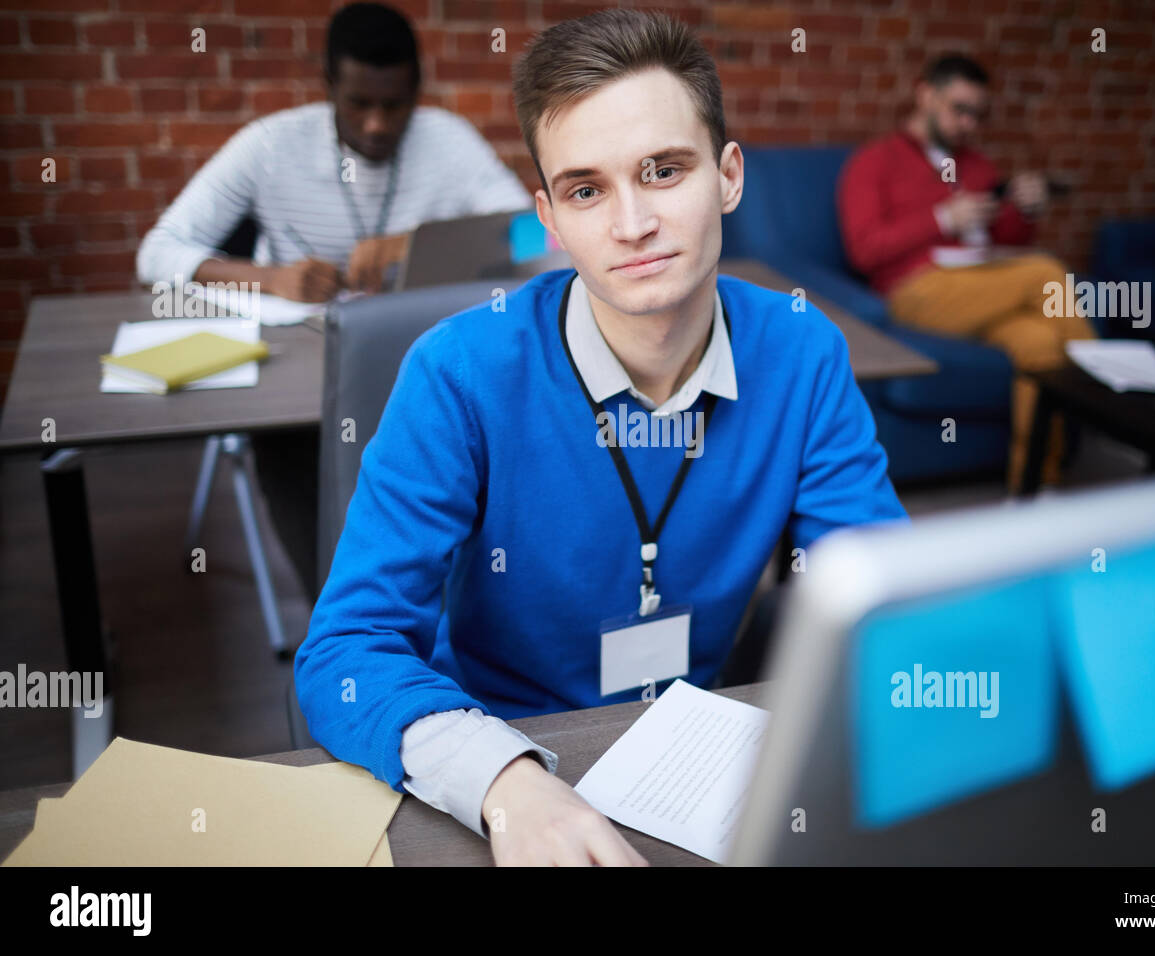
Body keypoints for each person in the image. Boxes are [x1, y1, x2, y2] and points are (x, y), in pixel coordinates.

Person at [295, 8, 909, 866]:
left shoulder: (804, 350)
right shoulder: (459, 371)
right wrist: (502, 781)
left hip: (698, 759)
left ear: (729, 176)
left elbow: (884, 597)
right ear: (550, 217)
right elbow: (345, 655)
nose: (631, 225)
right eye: (587, 189)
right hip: (502, 746)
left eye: (663, 171)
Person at [135, 2, 532, 602]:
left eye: (394, 106)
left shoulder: (446, 142)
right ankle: (337, 608)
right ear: (328, 90)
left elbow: (533, 234)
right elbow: (156, 253)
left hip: (410, 366)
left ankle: (446, 607)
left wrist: (413, 244)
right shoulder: (270, 146)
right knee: (300, 461)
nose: (376, 124)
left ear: (417, 94)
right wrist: (268, 278)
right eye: (358, 104)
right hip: (296, 381)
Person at [836, 53, 1095, 494]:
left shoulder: (979, 167)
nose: (969, 124)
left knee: (1040, 342)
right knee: (1044, 272)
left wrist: (1025, 212)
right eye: (959, 109)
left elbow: (1005, 238)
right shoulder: (874, 162)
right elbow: (864, 251)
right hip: (918, 290)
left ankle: (1036, 491)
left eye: (977, 114)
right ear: (925, 95)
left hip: (984, 286)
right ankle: (1111, 393)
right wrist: (941, 219)